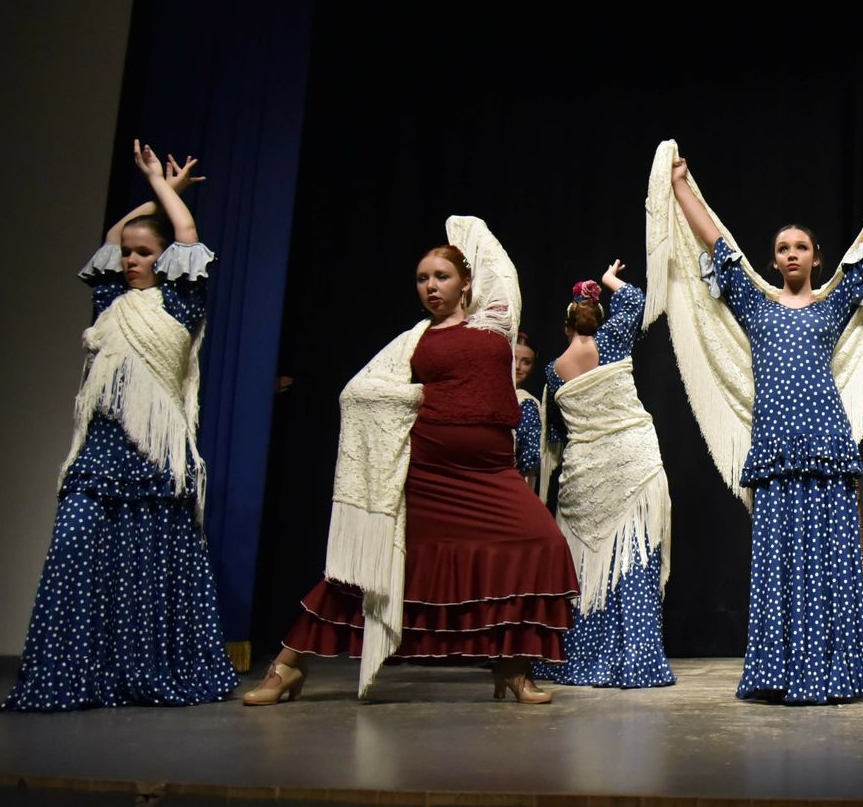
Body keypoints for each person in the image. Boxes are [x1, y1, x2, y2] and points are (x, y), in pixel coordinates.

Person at [643, 134, 863, 704]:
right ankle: (778, 669)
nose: (793, 253)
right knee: (778, 555)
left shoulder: (834, 304)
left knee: (832, 553)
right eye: (783, 247)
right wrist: (679, 186)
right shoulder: (753, 305)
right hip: (776, 443)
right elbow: (717, 241)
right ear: (773, 259)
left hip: (824, 440)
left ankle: (837, 668)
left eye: (802, 246)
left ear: (817, 257)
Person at [243, 216, 578, 707]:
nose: (430, 287)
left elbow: (487, 248)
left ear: (468, 282)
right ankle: (286, 667)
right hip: (427, 477)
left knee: (540, 544)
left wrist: (456, 233)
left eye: (441, 276)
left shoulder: (496, 321)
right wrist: (417, 396)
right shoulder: (414, 341)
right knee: (366, 571)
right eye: (422, 279)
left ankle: (513, 668)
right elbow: (358, 392)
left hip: (490, 476)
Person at [0, 142, 237, 711]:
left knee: (146, 565)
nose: (130, 260)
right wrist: (161, 196)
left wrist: (165, 193)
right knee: (77, 550)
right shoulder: (111, 300)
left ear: (163, 261)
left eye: (142, 253)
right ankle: (74, 676)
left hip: (153, 456)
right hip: (101, 451)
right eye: (129, 255)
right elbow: (112, 236)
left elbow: (185, 237)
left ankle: (143, 671)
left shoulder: (179, 303)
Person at [531, 262, 676, 688]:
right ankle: (636, 660)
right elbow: (634, 299)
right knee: (633, 561)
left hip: (585, 474)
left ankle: (583, 657)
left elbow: (557, 433)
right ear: (596, 315)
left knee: (587, 567)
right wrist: (610, 278)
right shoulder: (613, 340)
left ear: (566, 324)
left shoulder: (552, 373)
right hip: (632, 465)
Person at [513, 332, 542, 492]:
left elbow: (531, 458)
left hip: (505, 488)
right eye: (513, 358)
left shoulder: (525, 404)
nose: (517, 367)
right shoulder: (482, 393)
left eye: (526, 362)